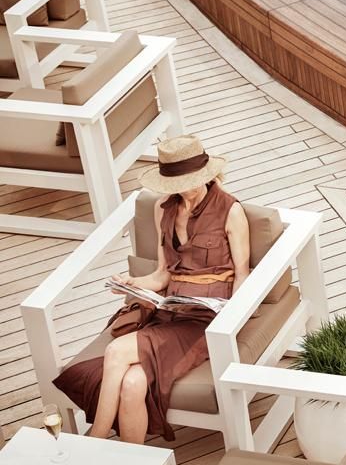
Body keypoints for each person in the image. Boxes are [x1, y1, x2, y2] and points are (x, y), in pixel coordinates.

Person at [53, 135, 250, 444]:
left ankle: (93, 444)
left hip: (205, 320)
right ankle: (130, 462)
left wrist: (230, 320)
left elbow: (242, 274)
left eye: (192, 180)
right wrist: (132, 284)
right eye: (179, 183)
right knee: (132, 384)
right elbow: (161, 275)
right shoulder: (163, 208)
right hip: (168, 314)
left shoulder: (230, 210)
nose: (187, 188)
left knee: (116, 351)